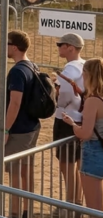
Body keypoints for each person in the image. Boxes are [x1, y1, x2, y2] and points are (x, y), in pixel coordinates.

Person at [3, 30, 41, 218]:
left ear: (15, 47)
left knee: (15, 173)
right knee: (26, 171)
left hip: (19, 129)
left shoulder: (17, 71)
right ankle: (27, 210)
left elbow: (15, 102)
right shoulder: (32, 65)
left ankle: (15, 213)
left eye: (7, 43)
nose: (4, 46)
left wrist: (5, 129)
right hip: (32, 126)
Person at [62, 58, 103, 212]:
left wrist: (73, 125)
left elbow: (85, 133)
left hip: (94, 153)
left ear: (87, 75)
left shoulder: (93, 100)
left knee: (94, 208)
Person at [55, 33, 86, 210]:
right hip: (81, 118)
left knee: (67, 164)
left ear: (70, 48)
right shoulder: (84, 65)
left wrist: (56, 100)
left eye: (61, 45)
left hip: (67, 118)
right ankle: (76, 202)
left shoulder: (70, 69)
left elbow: (64, 94)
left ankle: (70, 204)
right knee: (77, 163)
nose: (59, 47)